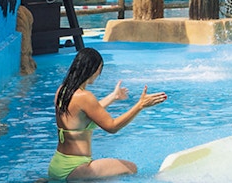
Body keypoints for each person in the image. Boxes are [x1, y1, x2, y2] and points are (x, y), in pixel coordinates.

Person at [49, 47, 167, 181]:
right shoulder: (85, 97)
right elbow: (112, 127)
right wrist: (140, 105)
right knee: (131, 168)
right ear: (93, 69)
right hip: (75, 168)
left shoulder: (63, 91)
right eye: (100, 69)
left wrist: (113, 96)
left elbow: (88, 111)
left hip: (57, 165)